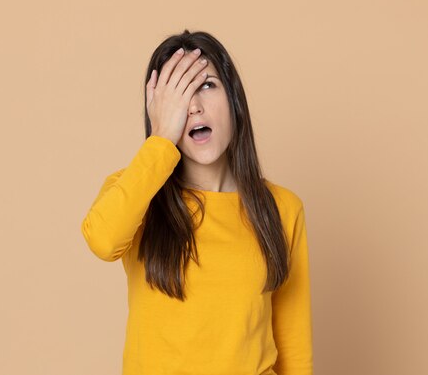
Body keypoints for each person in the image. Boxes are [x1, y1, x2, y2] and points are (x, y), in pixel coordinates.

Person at [80, 29, 313, 375]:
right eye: (177, 94)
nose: (194, 106)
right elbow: (102, 240)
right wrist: (161, 140)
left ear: (234, 99)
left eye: (206, 85)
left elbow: (294, 351)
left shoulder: (281, 209)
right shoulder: (136, 192)